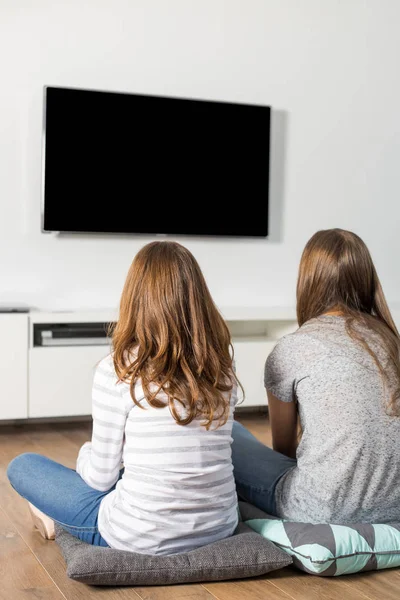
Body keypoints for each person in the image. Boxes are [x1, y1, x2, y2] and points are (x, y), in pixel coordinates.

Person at [7, 241, 240, 554]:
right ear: (198, 298)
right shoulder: (221, 364)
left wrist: (85, 452)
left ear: (135, 299)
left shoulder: (118, 370)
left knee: (23, 465)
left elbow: (100, 479)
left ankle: (56, 518)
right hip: (221, 527)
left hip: (136, 537)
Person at [232, 228, 400, 524]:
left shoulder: (292, 348)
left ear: (309, 280)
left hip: (320, 511)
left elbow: (283, 451)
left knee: (232, 433)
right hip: (394, 508)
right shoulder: (391, 342)